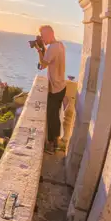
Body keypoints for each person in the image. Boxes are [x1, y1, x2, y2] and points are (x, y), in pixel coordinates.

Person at [35, 25, 66, 153]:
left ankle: (52, 146)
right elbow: (47, 61)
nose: (42, 38)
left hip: (55, 88)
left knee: (52, 117)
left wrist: (39, 50)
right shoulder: (60, 45)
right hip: (61, 86)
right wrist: (43, 48)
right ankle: (56, 143)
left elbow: (42, 65)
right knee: (55, 116)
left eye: (43, 36)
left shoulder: (52, 48)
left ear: (50, 34)